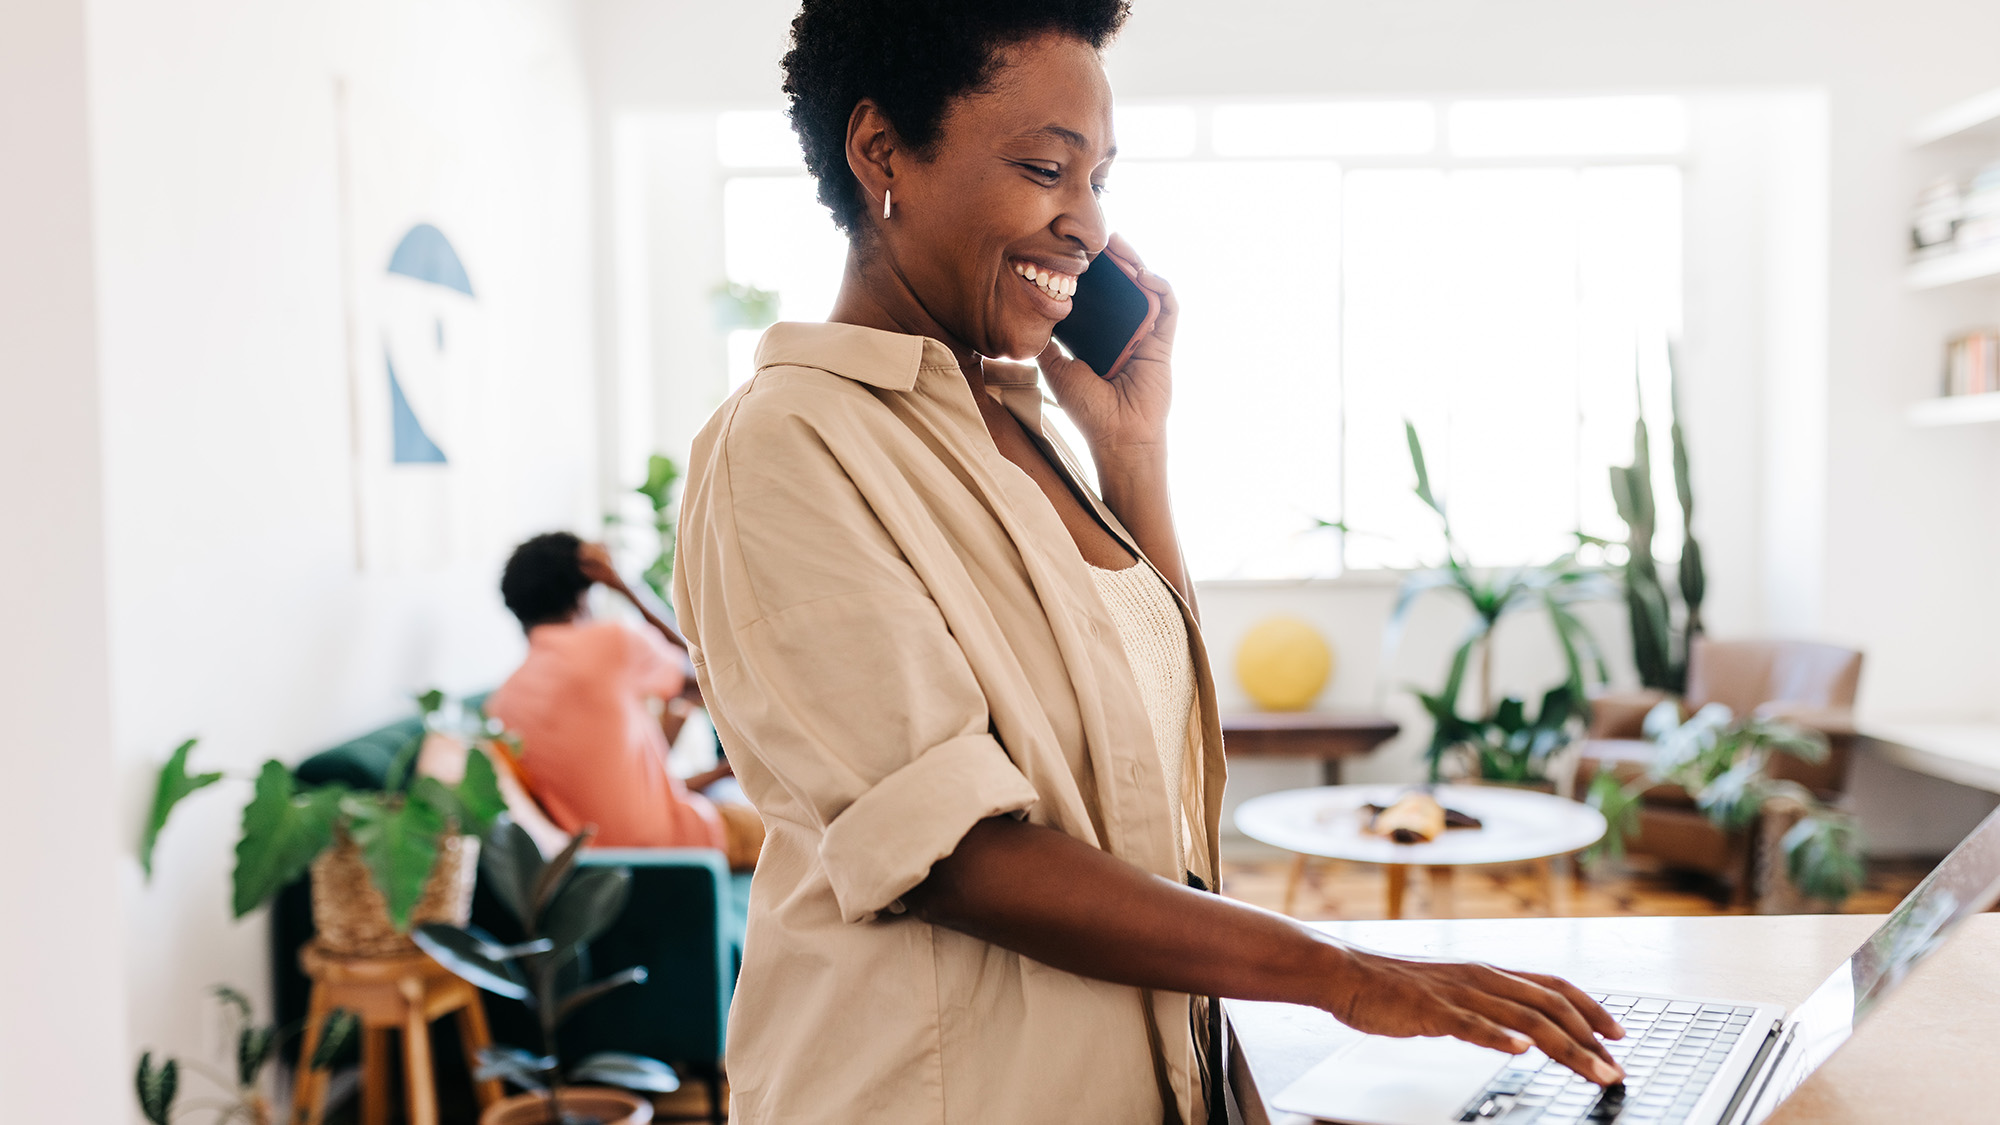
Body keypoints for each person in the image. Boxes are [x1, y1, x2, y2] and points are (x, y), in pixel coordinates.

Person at [670, 2, 1625, 1120]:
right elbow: (954, 856)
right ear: (883, 150)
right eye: (1043, 168)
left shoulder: (1022, 426)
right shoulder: (788, 442)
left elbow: (1151, 778)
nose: (1082, 223)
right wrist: (1344, 976)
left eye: (1098, 181)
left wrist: (1131, 450)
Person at [487, 531, 762, 869]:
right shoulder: (611, 643)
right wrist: (624, 585)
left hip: (602, 871)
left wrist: (718, 773)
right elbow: (708, 675)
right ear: (584, 590)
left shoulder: (502, 706)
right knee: (809, 829)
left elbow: (616, 803)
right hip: (688, 844)